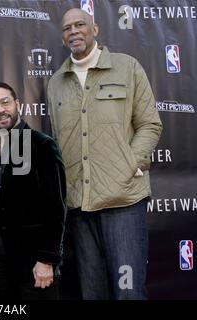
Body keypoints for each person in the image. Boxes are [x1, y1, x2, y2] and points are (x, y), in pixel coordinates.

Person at [47, 8, 163, 299]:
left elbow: (150, 124)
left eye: (80, 25)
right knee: (92, 293)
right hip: (79, 207)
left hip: (122, 201)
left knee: (127, 293)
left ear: (95, 29)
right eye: (67, 28)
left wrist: (129, 165)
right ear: (62, 37)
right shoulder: (56, 83)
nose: (73, 31)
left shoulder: (127, 67)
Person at [0, 81, 66, 300]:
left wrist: (47, 259)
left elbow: (56, 207)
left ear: (17, 104)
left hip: (34, 259)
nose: (0, 109)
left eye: (5, 102)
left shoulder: (42, 145)